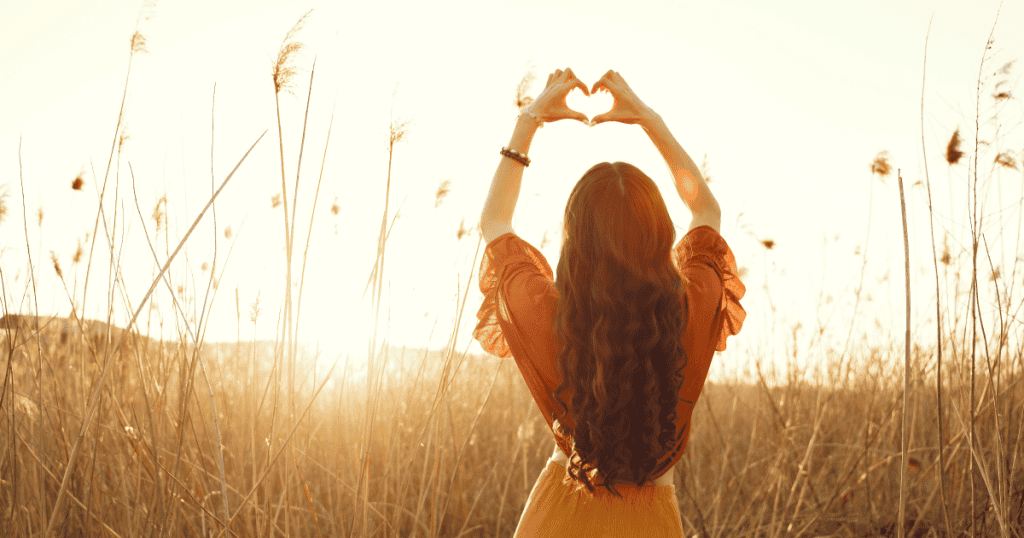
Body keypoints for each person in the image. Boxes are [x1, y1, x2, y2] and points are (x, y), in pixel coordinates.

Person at [475, 68, 746, 537]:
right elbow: (707, 212)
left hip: (557, 515)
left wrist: (530, 121)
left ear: (574, 243)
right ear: (660, 234)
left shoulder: (551, 317)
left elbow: (495, 220)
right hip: (651, 521)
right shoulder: (688, 309)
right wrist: (648, 120)